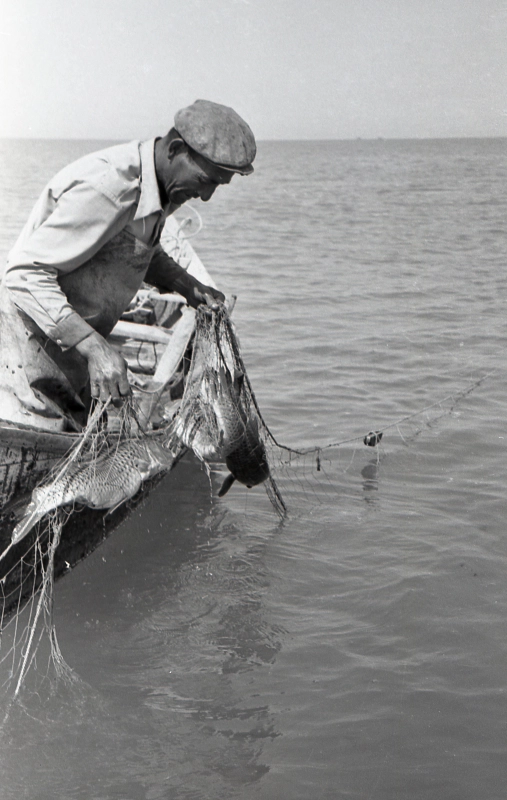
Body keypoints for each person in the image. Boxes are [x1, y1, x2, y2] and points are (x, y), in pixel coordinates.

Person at [0, 100, 256, 432]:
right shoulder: (111, 187)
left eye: (217, 186)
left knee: (85, 443)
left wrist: (187, 286)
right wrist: (96, 349)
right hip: (29, 352)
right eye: (205, 180)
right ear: (175, 149)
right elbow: (24, 274)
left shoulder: (157, 187)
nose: (206, 197)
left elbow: (136, 249)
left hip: (70, 352)